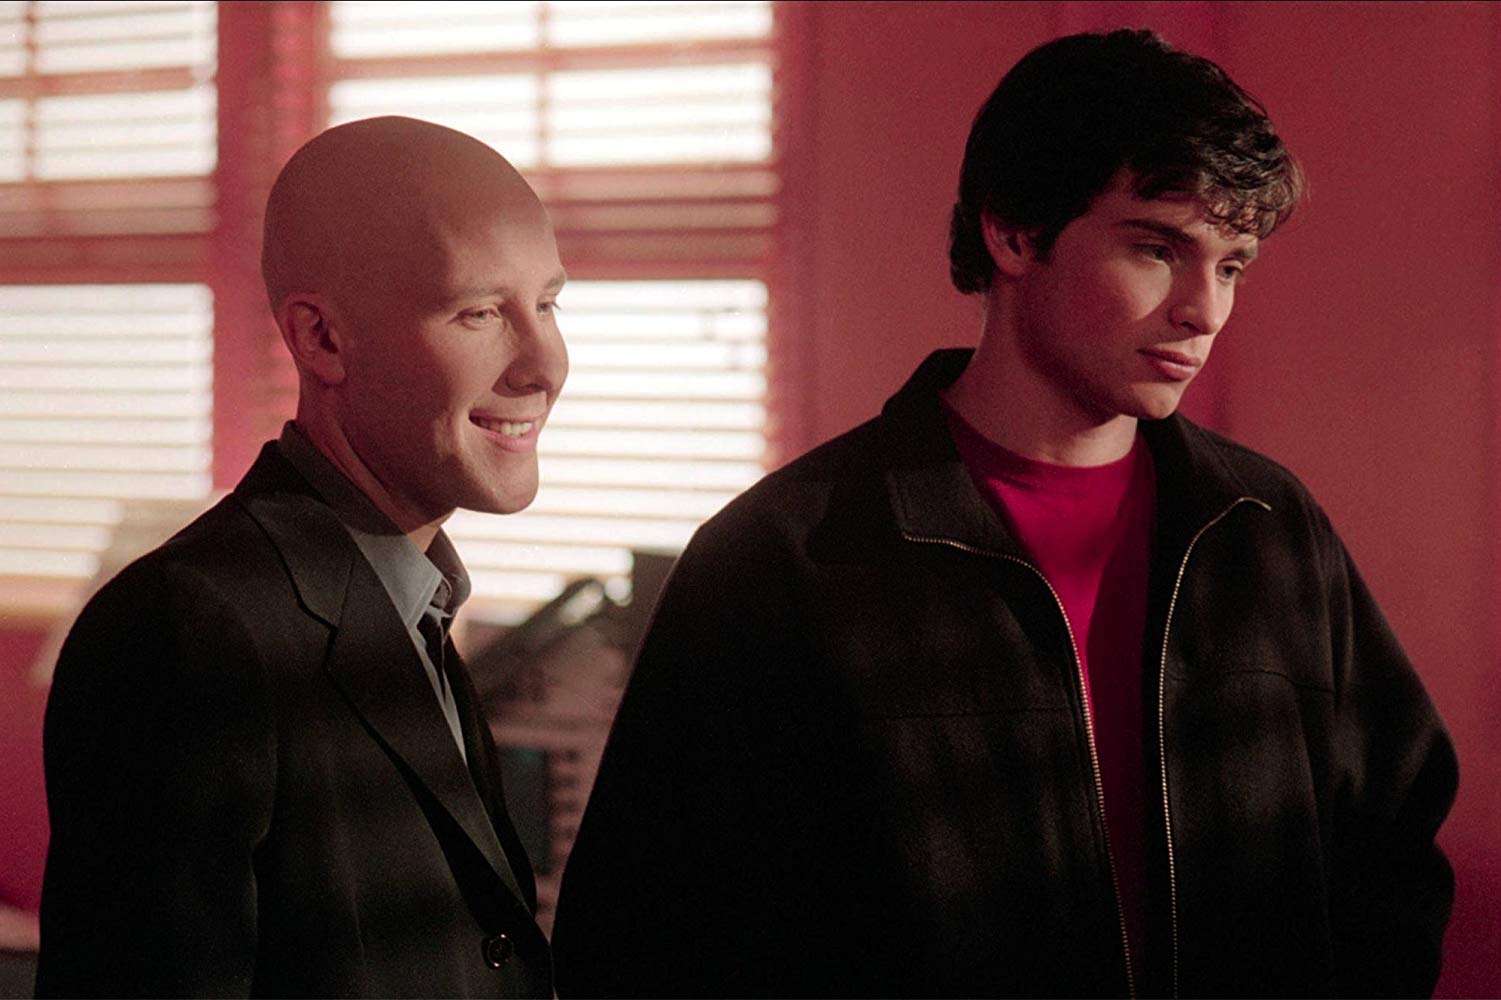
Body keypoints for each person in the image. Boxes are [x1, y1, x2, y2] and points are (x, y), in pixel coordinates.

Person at [550, 29, 1457, 998]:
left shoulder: (1266, 524)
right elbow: (646, 932)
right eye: (1157, 249)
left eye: (1230, 265)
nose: (1203, 309)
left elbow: (1391, 852)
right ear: (1014, 233)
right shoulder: (781, 558)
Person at [36, 116, 567, 997]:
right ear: (321, 340)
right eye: (478, 312)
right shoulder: (188, 633)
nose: (544, 364)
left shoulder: (415, 602)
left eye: (546, 305)